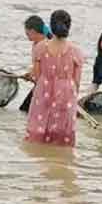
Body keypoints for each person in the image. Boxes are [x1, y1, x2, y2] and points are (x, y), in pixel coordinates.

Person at [25, 10, 83, 147]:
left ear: (51, 27)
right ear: (68, 27)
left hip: (43, 90)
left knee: (39, 129)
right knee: (62, 133)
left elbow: (38, 76)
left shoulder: (39, 48)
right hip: (66, 93)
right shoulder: (76, 51)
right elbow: (77, 82)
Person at [19, 15, 51, 113]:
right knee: (26, 109)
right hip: (42, 83)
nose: (26, 35)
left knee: (25, 110)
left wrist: (33, 76)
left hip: (45, 85)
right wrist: (30, 74)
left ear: (32, 31)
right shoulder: (37, 43)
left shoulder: (43, 45)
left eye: (27, 33)